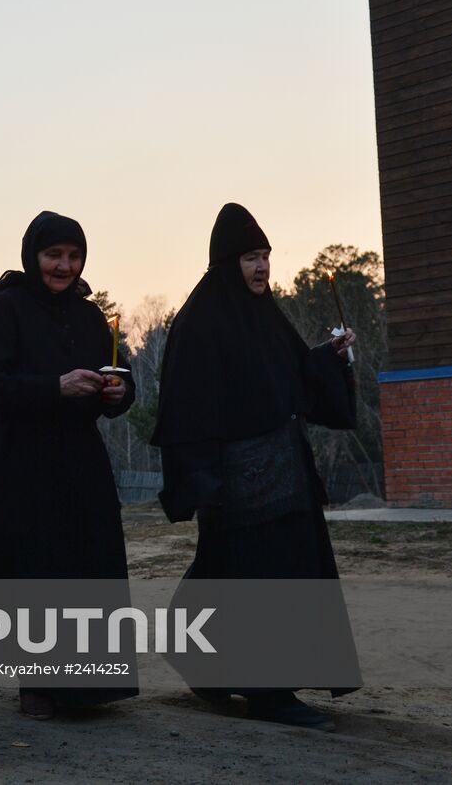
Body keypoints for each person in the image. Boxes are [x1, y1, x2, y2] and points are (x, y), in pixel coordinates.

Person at [151, 202, 359, 731]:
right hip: (237, 488)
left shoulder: (266, 315)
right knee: (252, 582)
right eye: (249, 257)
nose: (261, 267)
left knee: (260, 579)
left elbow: (291, 374)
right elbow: (185, 406)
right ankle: (269, 694)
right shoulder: (199, 322)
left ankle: (212, 670)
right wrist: (201, 481)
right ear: (227, 263)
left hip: (285, 478)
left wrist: (330, 357)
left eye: (265, 256)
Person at [0, 211, 138, 720]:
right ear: (33, 256)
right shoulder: (5, 309)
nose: (64, 266)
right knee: (34, 565)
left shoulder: (88, 315)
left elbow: (119, 373)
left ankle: (91, 681)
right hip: (15, 457)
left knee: (91, 557)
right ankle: (35, 683)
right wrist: (53, 387)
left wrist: (118, 392)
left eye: (73, 256)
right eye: (53, 255)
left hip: (75, 453)